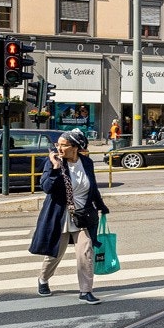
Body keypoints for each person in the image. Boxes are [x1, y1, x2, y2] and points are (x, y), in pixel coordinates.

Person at [29, 129, 109, 304]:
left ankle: (85, 291)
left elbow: (92, 187)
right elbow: (47, 188)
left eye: (63, 145)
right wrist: (56, 167)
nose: (59, 148)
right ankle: (43, 279)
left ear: (75, 148)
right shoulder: (53, 163)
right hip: (59, 215)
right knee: (56, 253)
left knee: (86, 251)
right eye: (57, 144)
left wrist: (101, 206)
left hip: (83, 215)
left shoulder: (86, 163)